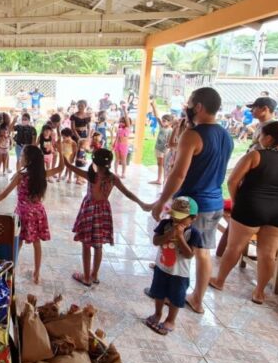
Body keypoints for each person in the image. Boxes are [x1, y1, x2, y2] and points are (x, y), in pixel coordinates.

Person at [146, 87, 233, 315]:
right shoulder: (225, 135)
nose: (187, 107)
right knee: (204, 251)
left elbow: (178, 174)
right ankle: (197, 298)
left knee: (180, 248)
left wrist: (161, 201)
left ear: (199, 107)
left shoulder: (193, 135)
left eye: (191, 103)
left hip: (192, 204)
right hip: (214, 202)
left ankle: (171, 295)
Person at [209, 122, 278, 304]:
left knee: (235, 247)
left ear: (269, 138)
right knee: (268, 253)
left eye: (261, 134)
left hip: (250, 205)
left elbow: (233, 181)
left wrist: (236, 201)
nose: (258, 137)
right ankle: (259, 293)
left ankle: (219, 281)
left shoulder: (255, 155)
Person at [64, 149, 147, 286]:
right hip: (103, 212)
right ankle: (94, 275)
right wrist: (141, 203)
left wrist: (62, 151)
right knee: (98, 245)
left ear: (95, 161)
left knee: (86, 245)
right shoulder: (113, 178)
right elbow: (127, 193)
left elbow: (68, 165)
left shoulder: (91, 176)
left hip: (89, 211)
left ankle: (86, 277)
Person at [0, 145, 62, 284]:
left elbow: (4, 194)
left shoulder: (21, 176)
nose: (20, 157)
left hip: (23, 213)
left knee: (17, 242)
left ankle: (11, 268)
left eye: (23, 155)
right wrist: (60, 151)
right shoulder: (42, 174)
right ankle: (37, 273)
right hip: (37, 212)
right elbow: (61, 168)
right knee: (36, 243)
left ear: (29, 160)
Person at [144, 196, 204, 336]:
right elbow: (156, 241)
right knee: (158, 293)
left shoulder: (194, 233)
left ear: (193, 218)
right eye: (174, 216)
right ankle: (157, 314)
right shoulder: (166, 224)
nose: (176, 220)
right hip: (161, 268)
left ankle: (171, 320)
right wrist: (171, 233)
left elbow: (189, 254)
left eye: (181, 218)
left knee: (176, 298)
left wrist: (181, 237)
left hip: (179, 274)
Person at [149, 100, 173, 186]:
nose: (163, 122)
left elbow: (171, 141)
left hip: (164, 150)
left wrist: (168, 147)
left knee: (164, 165)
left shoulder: (170, 130)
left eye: (165, 121)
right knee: (159, 164)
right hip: (158, 148)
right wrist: (153, 106)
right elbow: (156, 116)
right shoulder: (162, 127)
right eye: (163, 120)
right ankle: (159, 179)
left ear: (170, 122)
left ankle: (164, 181)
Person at [112, 108, 131, 178]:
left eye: (123, 122)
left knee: (123, 160)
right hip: (117, 145)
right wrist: (114, 144)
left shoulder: (127, 128)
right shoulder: (119, 129)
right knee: (116, 159)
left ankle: (123, 173)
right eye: (120, 122)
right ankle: (115, 172)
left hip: (124, 146)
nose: (121, 123)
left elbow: (127, 119)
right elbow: (116, 137)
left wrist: (125, 111)